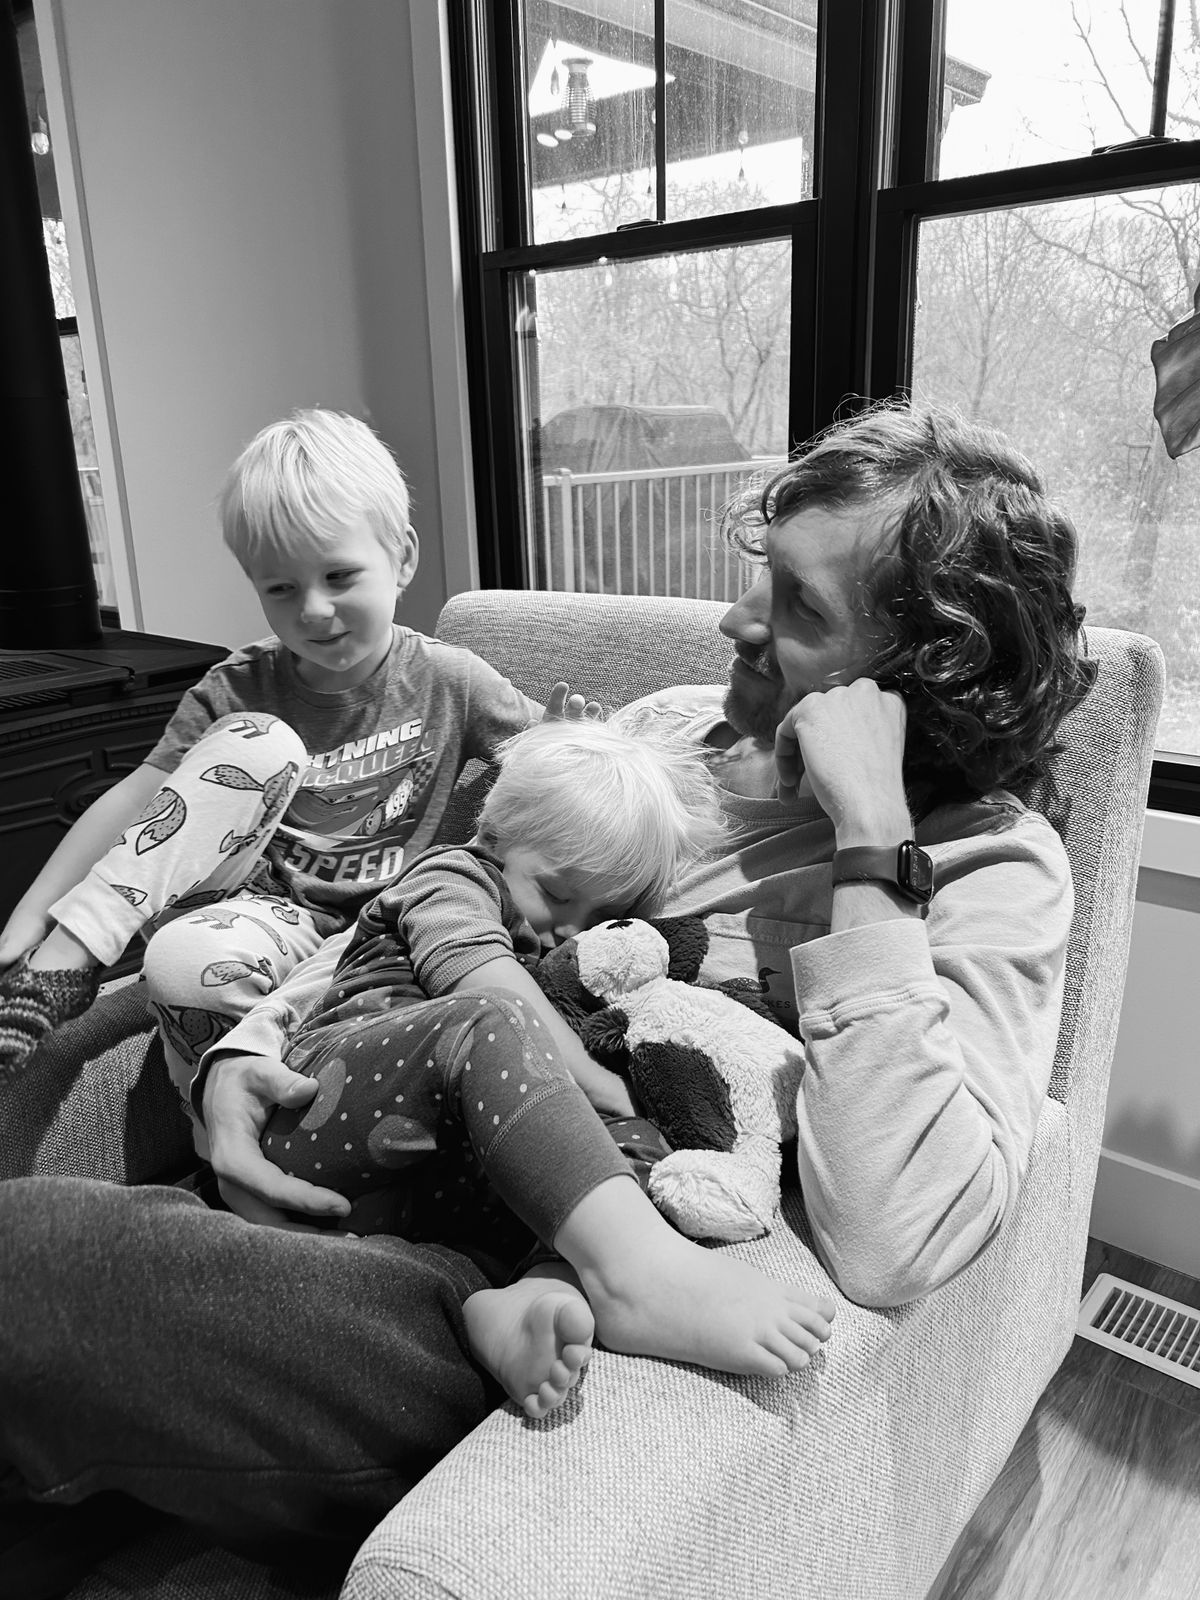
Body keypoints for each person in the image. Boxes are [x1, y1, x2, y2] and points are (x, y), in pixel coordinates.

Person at [0, 402, 1096, 1568]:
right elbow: (437, 899)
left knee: (30, 1262)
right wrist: (243, 1048)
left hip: (495, 1289)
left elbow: (897, 1237)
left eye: (800, 607)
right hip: (384, 1144)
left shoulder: (990, 863)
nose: (735, 618)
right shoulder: (667, 732)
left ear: (920, 682)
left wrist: (871, 836)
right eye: (764, 575)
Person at [0, 409, 547, 1158]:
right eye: (281, 588)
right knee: (255, 749)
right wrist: (32, 922)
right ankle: (71, 974)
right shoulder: (239, 684)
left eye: (340, 577)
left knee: (184, 964)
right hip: (259, 911)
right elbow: (137, 800)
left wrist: (572, 733)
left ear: (403, 558)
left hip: (384, 932)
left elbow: (551, 762)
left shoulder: (452, 679)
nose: (314, 611)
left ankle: (263, 1142)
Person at [257, 717, 835, 1418]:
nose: (568, 927)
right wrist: (600, 1085)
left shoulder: (565, 956)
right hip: (326, 1105)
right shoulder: (453, 875)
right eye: (559, 894)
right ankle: (634, 1274)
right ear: (494, 836)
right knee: (496, 1022)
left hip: (417, 1187)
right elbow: (480, 980)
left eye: (602, 913)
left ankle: (535, 1293)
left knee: (628, 1149)